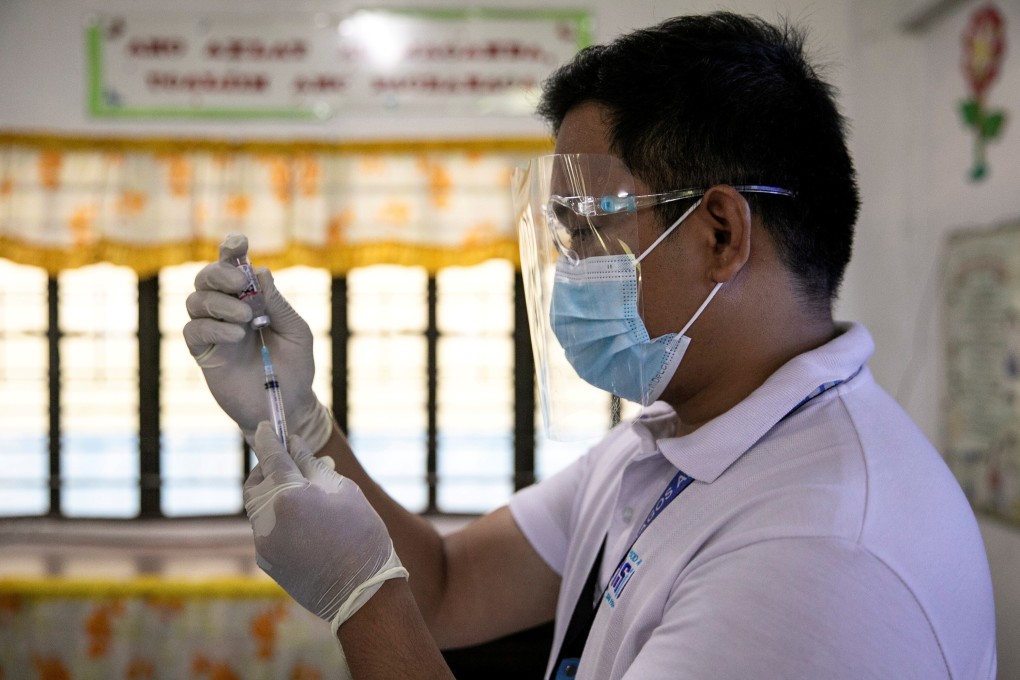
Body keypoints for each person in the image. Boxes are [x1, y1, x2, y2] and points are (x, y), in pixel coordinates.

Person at [184, 12, 998, 680]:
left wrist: (361, 595)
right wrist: (304, 419)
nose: (570, 266)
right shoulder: (670, 442)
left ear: (720, 233)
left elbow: (403, 594)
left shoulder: (823, 554)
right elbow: (447, 585)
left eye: (587, 225)